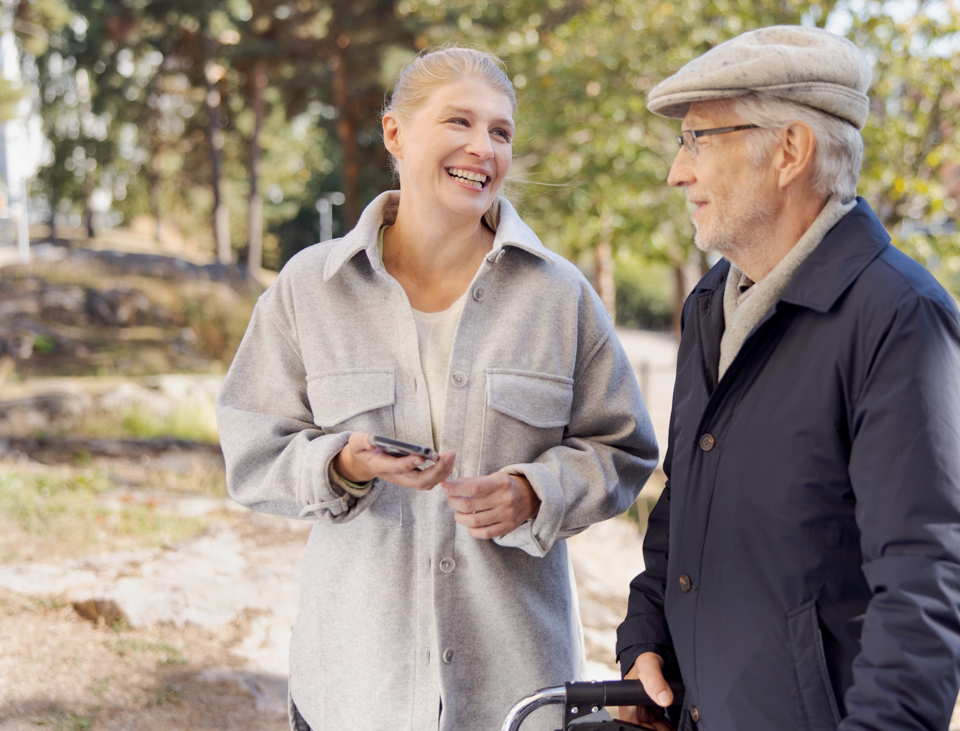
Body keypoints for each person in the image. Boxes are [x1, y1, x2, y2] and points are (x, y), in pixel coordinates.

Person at [217, 46, 658, 731]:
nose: (483, 148)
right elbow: (250, 449)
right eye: (459, 122)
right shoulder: (309, 289)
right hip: (353, 688)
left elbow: (624, 448)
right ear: (395, 133)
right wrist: (340, 464)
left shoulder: (559, 297)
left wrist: (536, 490)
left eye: (501, 131)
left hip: (516, 692)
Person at [614, 27, 960, 731]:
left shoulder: (901, 319)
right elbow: (684, 508)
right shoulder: (711, 308)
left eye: (698, 140)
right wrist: (644, 641)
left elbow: (930, 582)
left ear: (789, 150)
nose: (677, 172)